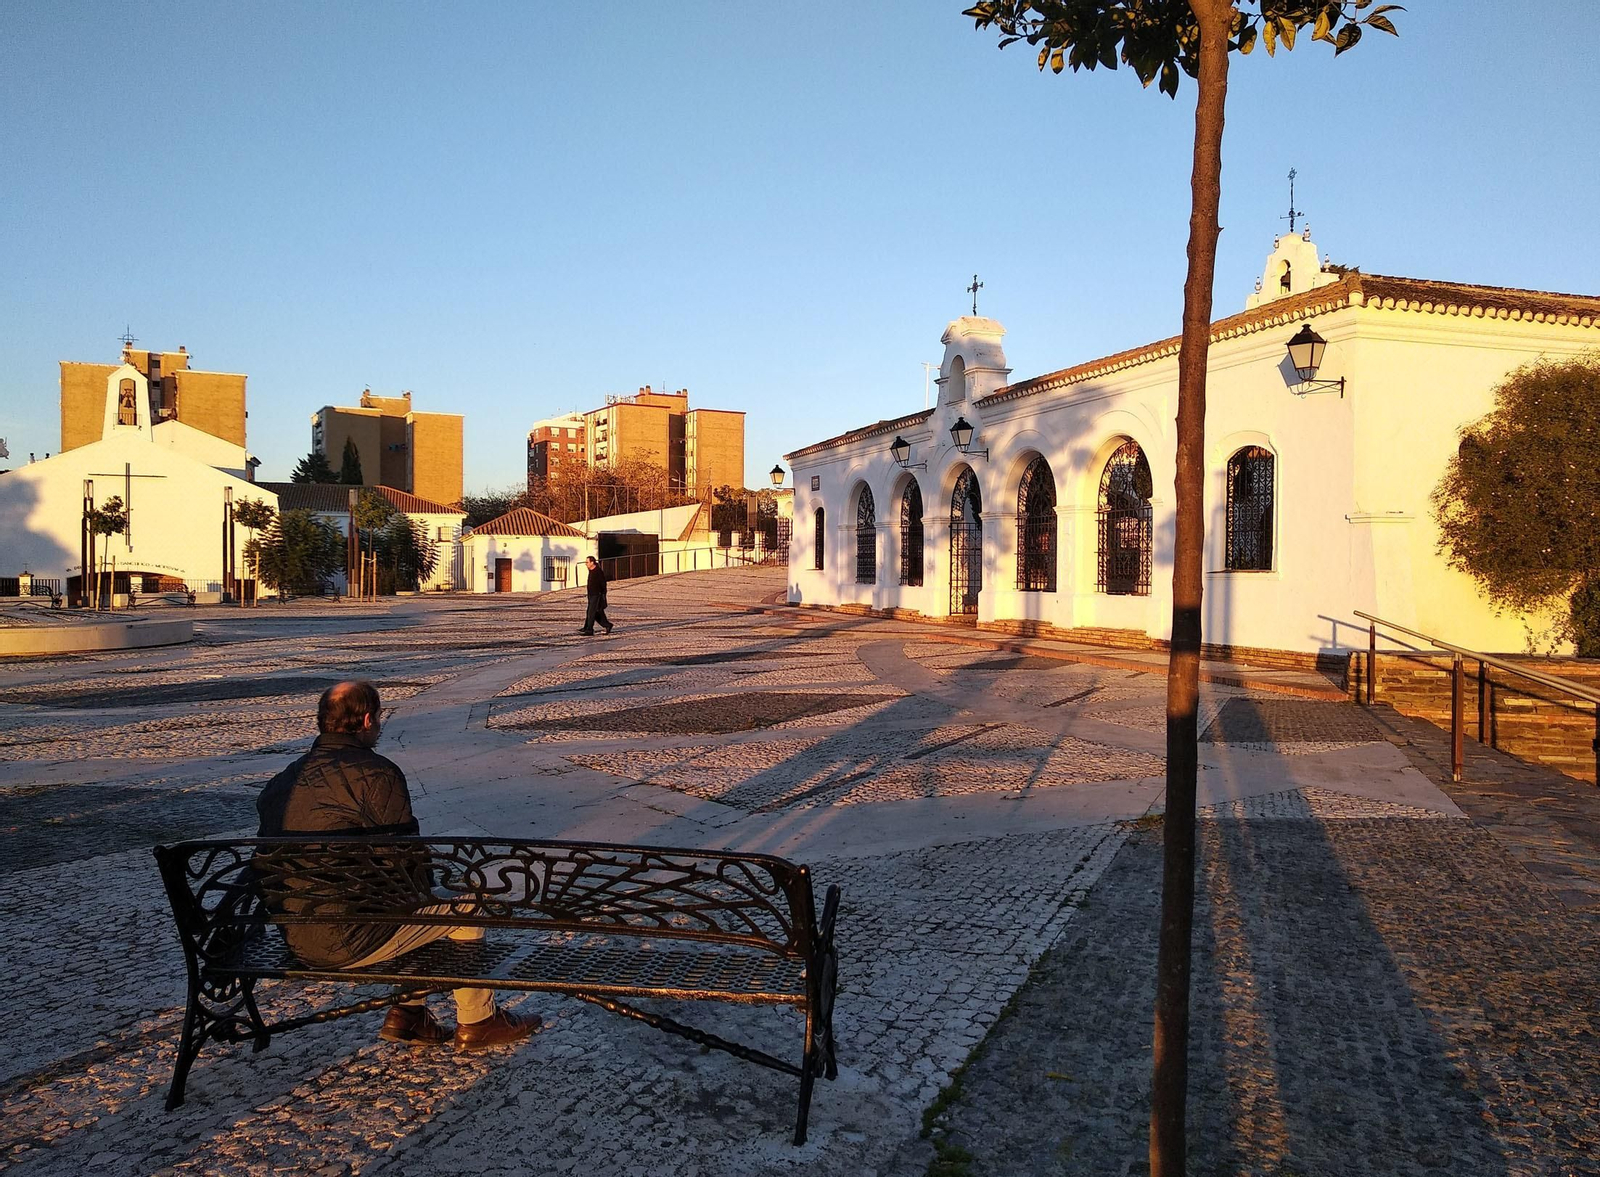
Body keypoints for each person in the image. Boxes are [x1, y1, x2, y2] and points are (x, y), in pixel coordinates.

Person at [256, 681, 541, 1050]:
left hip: (296, 935)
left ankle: (409, 1015)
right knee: (464, 905)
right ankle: (478, 1021)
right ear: (368, 720)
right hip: (346, 941)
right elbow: (406, 867)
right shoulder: (376, 773)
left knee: (417, 906)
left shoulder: (281, 781)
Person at [579, 555, 613, 635]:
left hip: (597, 594)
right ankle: (606, 625)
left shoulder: (598, 571)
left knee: (592, 612)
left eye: (587, 562)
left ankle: (589, 630)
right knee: (594, 612)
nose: (586, 564)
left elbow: (603, 584)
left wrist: (602, 594)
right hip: (591, 594)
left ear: (592, 562)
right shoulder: (591, 570)